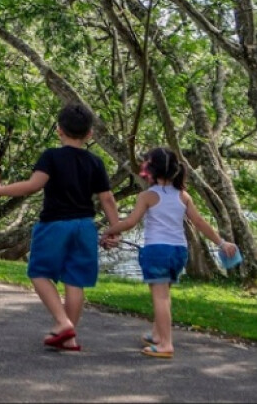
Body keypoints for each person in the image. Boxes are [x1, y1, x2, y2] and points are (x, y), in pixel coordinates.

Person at [0, 103, 121, 352]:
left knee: (39, 273)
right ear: (89, 135)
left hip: (55, 225)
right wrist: (115, 229)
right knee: (75, 281)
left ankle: (63, 323)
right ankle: (69, 338)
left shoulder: (51, 157)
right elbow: (107, 199)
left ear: (58, 130)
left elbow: (33, 185)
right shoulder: (95, 162)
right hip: (85, 227)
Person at [101, 146, 238, 359]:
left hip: (157, 250)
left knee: (160, 297)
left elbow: (130, 222)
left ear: (151, 170)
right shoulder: (183, 196)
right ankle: (157, 335)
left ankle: (166, 343)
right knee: (164, 295)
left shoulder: (147, 196)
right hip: (178, 252)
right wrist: (221, 243)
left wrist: (108, 230)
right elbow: (200, 222)